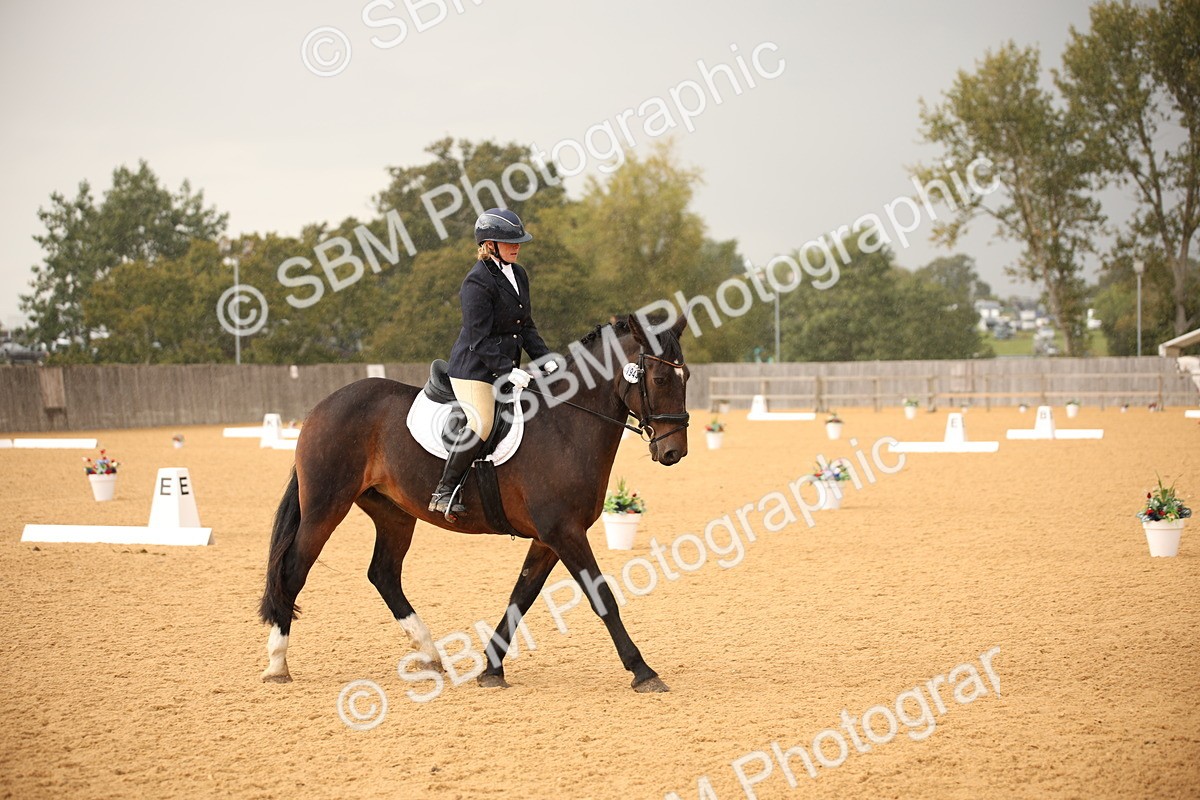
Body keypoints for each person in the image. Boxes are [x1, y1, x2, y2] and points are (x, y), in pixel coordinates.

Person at [429, 208, 556, 517]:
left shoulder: (519, 274)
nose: (516, 247)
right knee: (481, 422)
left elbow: (525, 326)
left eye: (518, 242)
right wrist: (508, 370)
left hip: (505, 366)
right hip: (474, 370)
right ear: (488, 244)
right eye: (508, 242)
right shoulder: (476, 282)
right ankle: (443, 491)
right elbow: (478, 339)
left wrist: (547, 360)